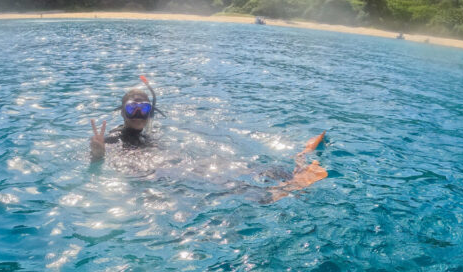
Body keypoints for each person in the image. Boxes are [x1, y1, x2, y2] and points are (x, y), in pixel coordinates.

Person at [89, 76, 328, 199]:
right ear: (122, 112)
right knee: (218, 181)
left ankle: (290, 172)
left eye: (145, 109)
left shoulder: (148, 135)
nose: (139, 115)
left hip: (166, 164)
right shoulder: (113, 137)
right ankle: (271, 194)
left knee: (232, 166)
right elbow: (103, 164)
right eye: (133, 109)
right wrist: (98, 157)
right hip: (151, 174)